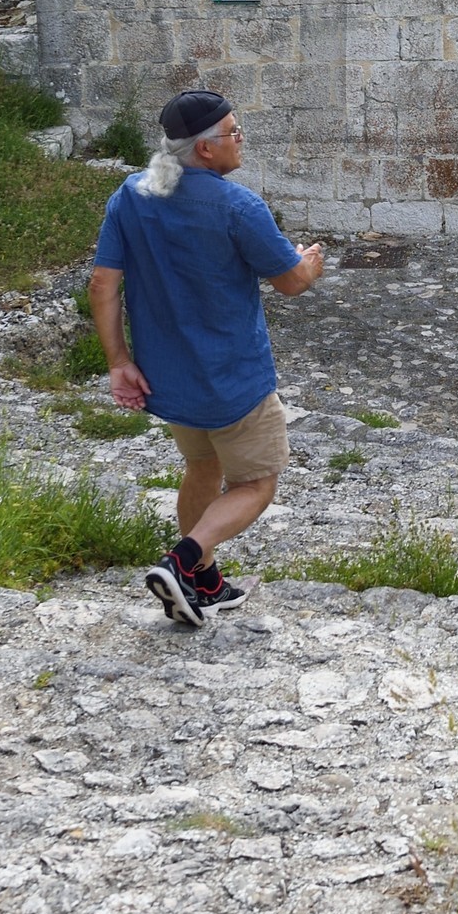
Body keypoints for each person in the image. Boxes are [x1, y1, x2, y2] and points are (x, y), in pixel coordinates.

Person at [89, 89, 324, 627]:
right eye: (233, 132)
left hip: (169, 378)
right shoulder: (238, 207)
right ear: (204, 151)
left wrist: (117, 360)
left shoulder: (131, 195)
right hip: (233, 380)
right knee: (257, 482)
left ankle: (204, 582)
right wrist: (309, 264)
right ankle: (183, 559)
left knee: (202, 465)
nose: (241, 140)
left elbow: (104, 283)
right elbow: (289, 282)